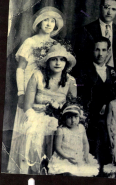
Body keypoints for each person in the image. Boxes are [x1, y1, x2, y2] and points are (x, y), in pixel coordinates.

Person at [7, 6, 64, 174]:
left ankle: (42, 167)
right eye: (45, 20)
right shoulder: (30, 42)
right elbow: (20, 69)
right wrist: (21, 93)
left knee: (45, 130)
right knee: (28, 130)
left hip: (46, 91)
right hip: (29, 92)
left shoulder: (56, 44)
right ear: (39, 22)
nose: (49, 24)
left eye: (52, 21)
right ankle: (24, 168)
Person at [19, 43, 76, 174]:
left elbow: (73, 107)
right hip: (36, 116)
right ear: (48, 61)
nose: (58, 63)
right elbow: (27, 105)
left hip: (60, 120)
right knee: (35, 132)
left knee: (57, 128)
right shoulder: (37, 76)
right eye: (54, 59)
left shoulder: (70, 81)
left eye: (62, 59)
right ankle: (37, 171)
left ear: (66, 63)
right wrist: (34, 120)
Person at [76, 36, 115, 175]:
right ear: (92, 51)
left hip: (111, 117)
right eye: (97, 49)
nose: (100, 54)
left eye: (104, 50)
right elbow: (80, 96)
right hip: (91, 118)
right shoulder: (83, 71)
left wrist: (108, 106)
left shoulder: (113, 72)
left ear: (109, 52)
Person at [74, 0, 116, 70]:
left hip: (114, 74)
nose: (109, 12)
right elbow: (80, 57)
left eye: (113, 9)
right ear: (100, 7)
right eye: (106, 8)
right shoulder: (86, 29)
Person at [48, 103, 99, 176]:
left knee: (86, 172)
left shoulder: (81, 128)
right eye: (69, 117)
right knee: (70, 173)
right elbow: (57, 148)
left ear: (79, 117)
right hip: (65, 157)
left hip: (79, 156)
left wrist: (86, 155)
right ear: (64, 118)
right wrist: (67, 157)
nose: (73, 120)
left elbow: (85, 143)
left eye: (75, 117)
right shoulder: (61, 130)